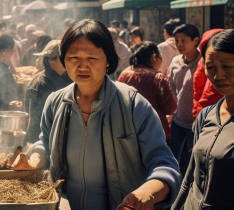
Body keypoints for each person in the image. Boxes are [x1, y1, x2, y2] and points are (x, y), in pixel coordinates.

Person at [27, 19, 181, 210]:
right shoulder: (55, 102)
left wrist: (146, 193)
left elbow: (164, 164)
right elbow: (46, 143)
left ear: (108, 59)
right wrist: (33, 160)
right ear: (63, 60)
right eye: (74, 57)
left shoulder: (133, 104)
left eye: (92, 58)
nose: (82, 66)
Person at [172, 29, 234, 210]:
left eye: (227, 66)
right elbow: (190, 177)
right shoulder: (206, 115)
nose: (218, 75)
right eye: (211, 66)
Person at [118, 43, 177, 143]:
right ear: (154, 57)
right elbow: (170, 107)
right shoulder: (158, 77)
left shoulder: (124, 74)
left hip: (129, 130)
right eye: (160, 57)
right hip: (154, 131)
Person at [168, 24, 201, 176]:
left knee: (193, 161)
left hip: (196, 123)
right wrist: (174, 109)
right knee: (171, 156)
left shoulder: (203, 63)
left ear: (195, 40)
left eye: (183, 40)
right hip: (177, 120)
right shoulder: (175, 61)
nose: (179, 44)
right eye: (177, 40)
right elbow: (172, 86)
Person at [25, 40, 72, 144]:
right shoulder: (41, 84)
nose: (67, 61)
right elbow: (35, 122)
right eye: (63, 58)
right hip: (46, 141)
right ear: (50, 60)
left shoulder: (68, 78)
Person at [192, 29, 223, 120]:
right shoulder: (204, 61)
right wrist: (196, 112)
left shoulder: (204, 60)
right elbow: (198, 87)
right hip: (207, 111)